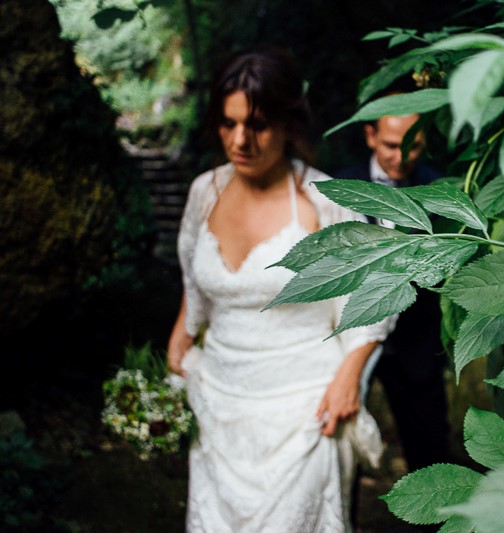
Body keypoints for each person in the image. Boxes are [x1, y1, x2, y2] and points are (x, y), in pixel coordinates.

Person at [166, 47, 391, 532]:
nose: (240, 140)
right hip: (218, 408)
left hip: (304, 413)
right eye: (228, 124)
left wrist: (348, 377)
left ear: (290, 124)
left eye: (258, 125)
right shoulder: (204, 192)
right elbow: (194, 274)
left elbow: (374, 298)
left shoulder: (325, 201)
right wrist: (182, 334)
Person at [333, 108, 452, 474]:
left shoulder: (439, 190)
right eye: (390, 145)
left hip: (416, 339)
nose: (401, 157)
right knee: (339, 436)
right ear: (370, 136)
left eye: (413, 146)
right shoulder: (339, 186)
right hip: (351, 337)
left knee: (429, 443)